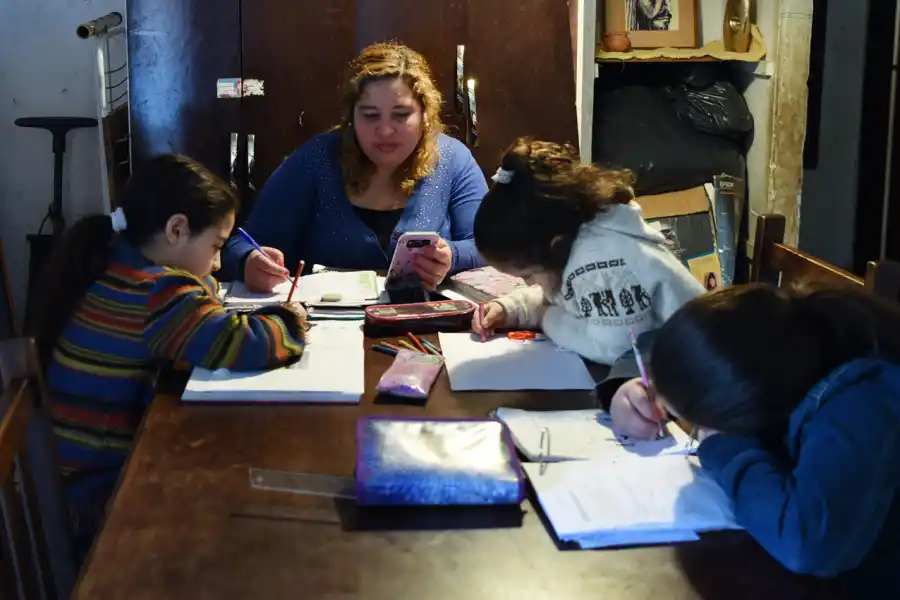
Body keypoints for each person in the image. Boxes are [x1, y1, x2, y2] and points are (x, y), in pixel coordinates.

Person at [30, 154, 307, 561]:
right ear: (177, 229)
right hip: (94, 505)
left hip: (64, 486)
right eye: (215, 246)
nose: (216, 263)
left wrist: (206, 282)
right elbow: (243, 343)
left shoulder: (113, 262)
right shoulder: (160, 294)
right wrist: (292, 319)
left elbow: (203, 312)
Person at [619, 282, 900, 585]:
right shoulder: (775, 337)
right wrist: (626, 387)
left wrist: (720, 445)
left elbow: (808, 546)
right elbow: (647, 342)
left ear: (741, 411)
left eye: (694, 424)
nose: (694, 430)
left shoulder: (864, 398)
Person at [221, 42, 488, 292]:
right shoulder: (315, 160)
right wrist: (249, 261)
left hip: (427, 324)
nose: (385, 130)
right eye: (370, 115)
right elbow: (239, 243)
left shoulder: (452, 158)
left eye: (401, 114)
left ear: (425, 115)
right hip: (324, 329)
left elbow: (487, 247)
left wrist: (451, 256)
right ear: (352, 117)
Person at [471, 137, 703, 369]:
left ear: (555, 246)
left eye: (528, 275)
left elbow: (615, 349)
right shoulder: (576, 240)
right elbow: (564, 299)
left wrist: (546, 318)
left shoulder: (603, 263)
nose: (529, 283)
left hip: (705, 377)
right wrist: (513, 309)